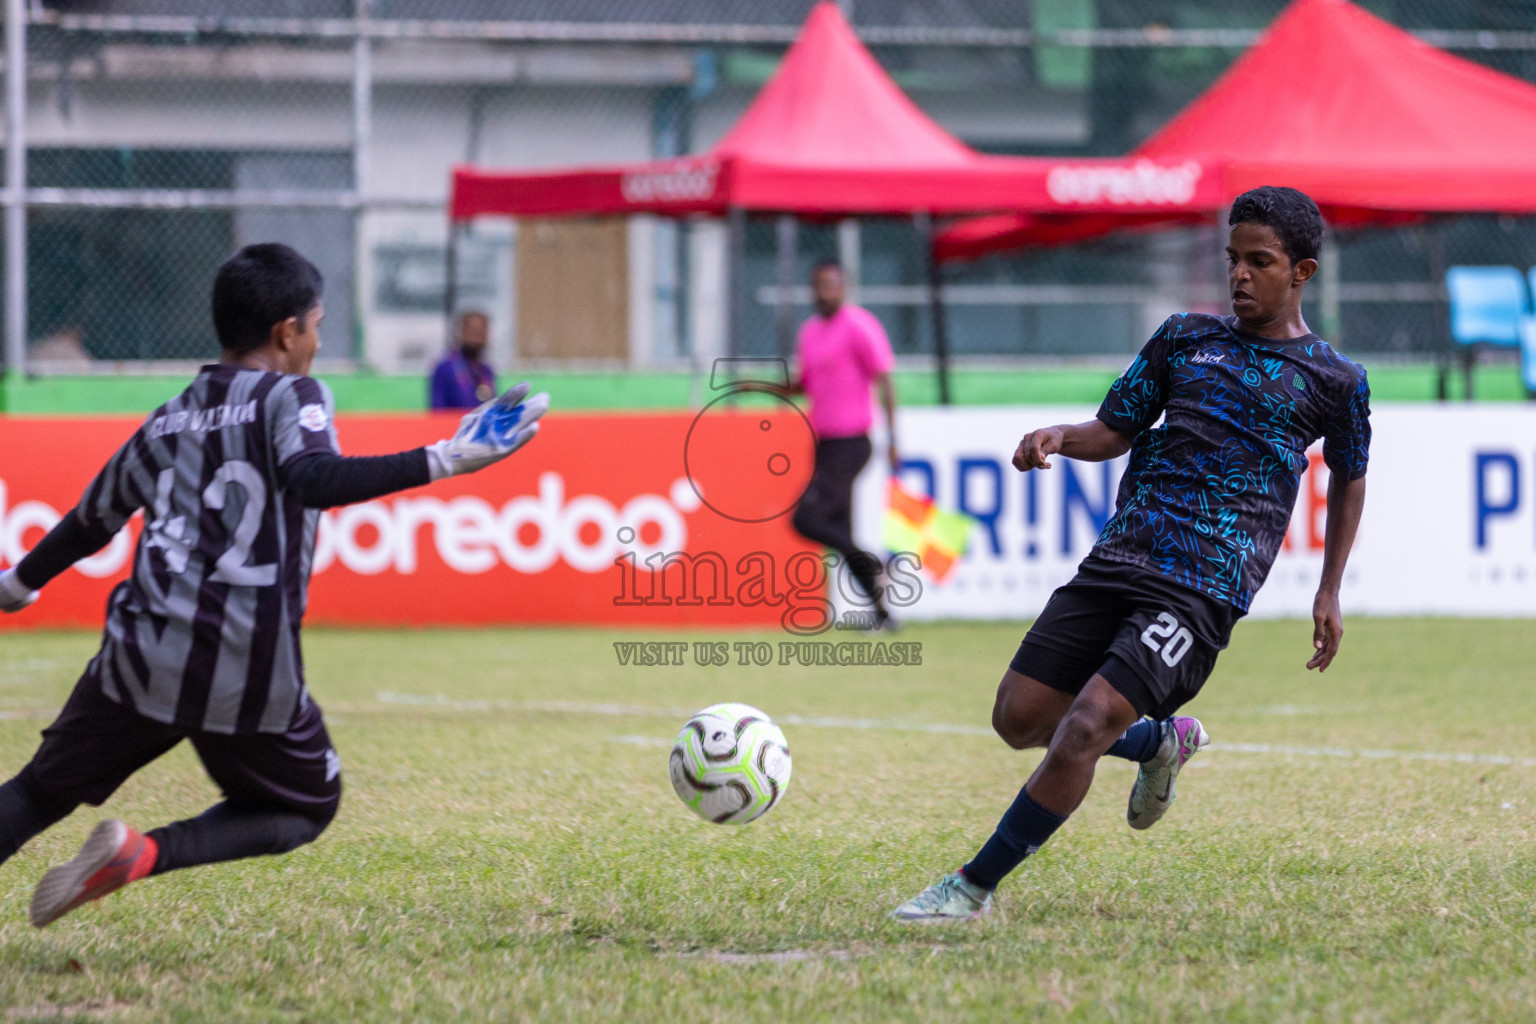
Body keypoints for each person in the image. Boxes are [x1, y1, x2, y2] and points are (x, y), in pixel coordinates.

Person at [0, 243, 548, 929]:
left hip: (139, 656)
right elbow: (312, 478)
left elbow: (90, 520)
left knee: (34, 793)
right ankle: (141, 853)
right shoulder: (291, 393)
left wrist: (20, 583)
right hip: (246, 667)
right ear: (288, 331)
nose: (317, 341)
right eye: (315, 324)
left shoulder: (165, 419)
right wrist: (445, 458)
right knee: (305, 806)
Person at [892, 186, 1371, 921]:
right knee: (1018, 719)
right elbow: (1114, 429)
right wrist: (1058, 436)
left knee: (1085, 724)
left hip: (1204, 585)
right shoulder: (1184, 337)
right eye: (1232, 259)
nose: (1240, 275)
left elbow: (1348, 478)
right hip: (1123, 556)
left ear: (1301, 271)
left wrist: (1330, 588)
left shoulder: (1336, 380)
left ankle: (971, 886)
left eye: (1260, 261)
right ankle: (1155, 743)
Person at [789, 259, 899, 627]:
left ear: (844, 287)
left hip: (852, 442)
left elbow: (884, 378)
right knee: (840, 533)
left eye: (832, 285)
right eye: (820, 285)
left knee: (805, 519)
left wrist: (895, 437)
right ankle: (883, 616)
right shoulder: (809, 331)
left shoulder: (858, 325)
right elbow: (804, 382)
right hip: (824, 442)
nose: (826, 292)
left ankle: (875, 562)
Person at [430, 310, 497, 410]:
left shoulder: (487, 371)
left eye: (481, 333)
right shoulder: (445, 368)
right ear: (461, 332)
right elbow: (437, 410)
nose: (477, 339)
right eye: (473, 332)